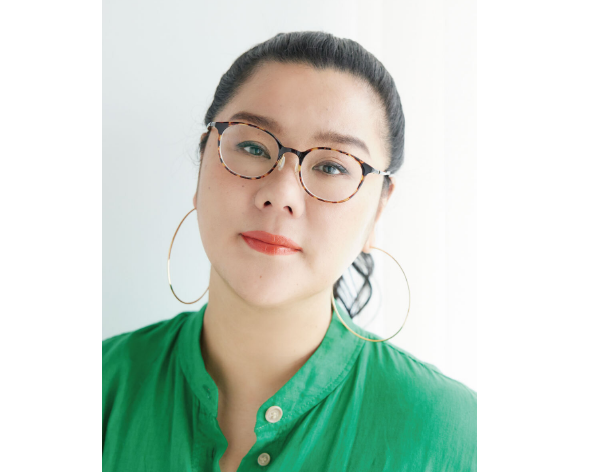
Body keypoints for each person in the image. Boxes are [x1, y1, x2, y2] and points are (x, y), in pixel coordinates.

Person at [102, 31, 477, 472]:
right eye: (252, 147)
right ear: (203, 163)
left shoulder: (458, 436)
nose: (280, 194)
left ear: (378, 209)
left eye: (332, 166)